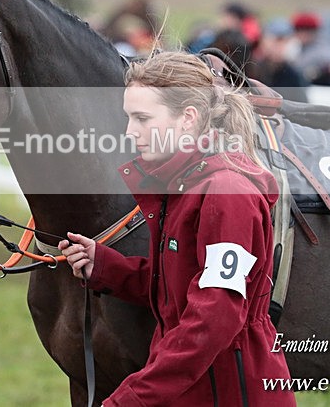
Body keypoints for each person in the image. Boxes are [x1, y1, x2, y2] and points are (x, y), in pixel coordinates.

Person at [58, 51, 295, 406]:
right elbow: (182, 286)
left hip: (229, 391)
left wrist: (131, 399)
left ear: (187, 118)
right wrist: (105, 266)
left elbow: (215, 317)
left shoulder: (225, 193)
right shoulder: (184, 184)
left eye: (142, 118)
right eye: (128, 118)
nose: (128, 132)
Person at [255, 18, 308, 102]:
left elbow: (303, 108)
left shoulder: (293, 76)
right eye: (277, 40)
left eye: (285, 41)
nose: (280, 46)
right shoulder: (254, 70)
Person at [289, 10, 330, 82]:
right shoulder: (295, 47)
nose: (303, 33)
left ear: (315, 31)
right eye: (299, 29)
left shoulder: (322, 50)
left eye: (308, 29)